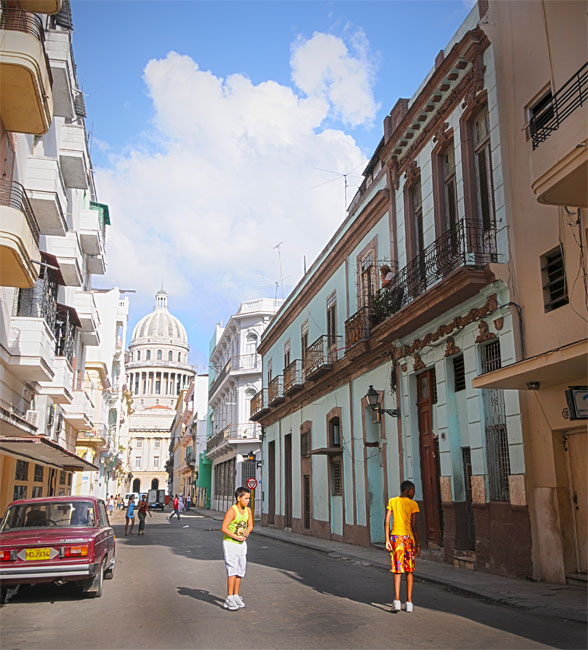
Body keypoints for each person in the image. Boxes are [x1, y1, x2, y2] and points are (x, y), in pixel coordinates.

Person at [384, 480, 420, 613]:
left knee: (397, 570)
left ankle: (397, 601)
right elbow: (414, 526)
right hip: (408, 539)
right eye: (413, 490)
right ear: (409, 490)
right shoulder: (413, 504)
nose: (414, 493)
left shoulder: (392, 501)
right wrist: (418, 543)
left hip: (396, 538)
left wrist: (387, 539)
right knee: (409, 570)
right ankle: (409, 602)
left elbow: (387, 520)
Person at [221, 487, 253, 611]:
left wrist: (247, 533)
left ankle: (235, 595)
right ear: (238, 498)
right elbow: (224, 528)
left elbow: (250, 525)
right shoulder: (232, 511)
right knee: (232, 569)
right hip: (230, 543)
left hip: (241, 544)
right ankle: (229, 598)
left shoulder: (248, 511)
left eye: (249, 499)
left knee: (241, 569)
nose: (247, 501)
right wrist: (236, 537)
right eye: (245, 498)